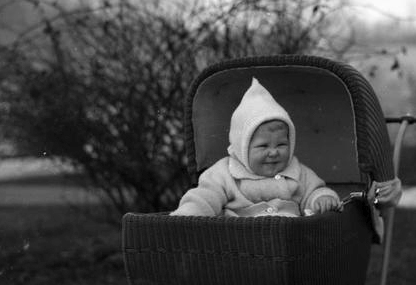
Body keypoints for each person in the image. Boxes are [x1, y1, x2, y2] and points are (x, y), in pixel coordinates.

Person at [170, 78, 402, 218]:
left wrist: (321, 199)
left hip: (288, 247)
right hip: (237, 243)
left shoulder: (297, 171)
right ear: (241, 147)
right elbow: (204, 197)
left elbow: (315, 190)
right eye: (263, 146)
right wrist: (187, 216)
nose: (274, 152)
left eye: (282, 144)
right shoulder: (224, 173)